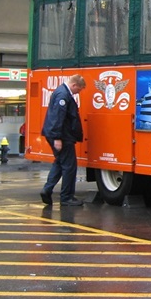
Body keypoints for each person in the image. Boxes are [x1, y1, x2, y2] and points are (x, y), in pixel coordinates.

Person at [40, 74, 86, 207]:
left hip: (59, 134)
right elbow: (58, 117)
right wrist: (57, 137)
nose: (79, 92)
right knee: (69, 167)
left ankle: (47, 189)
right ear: (74, 85)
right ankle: (66, 197)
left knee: (60, 163)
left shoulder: (60, 92)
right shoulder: (63, 95)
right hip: (63, 136)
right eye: (80, 89)